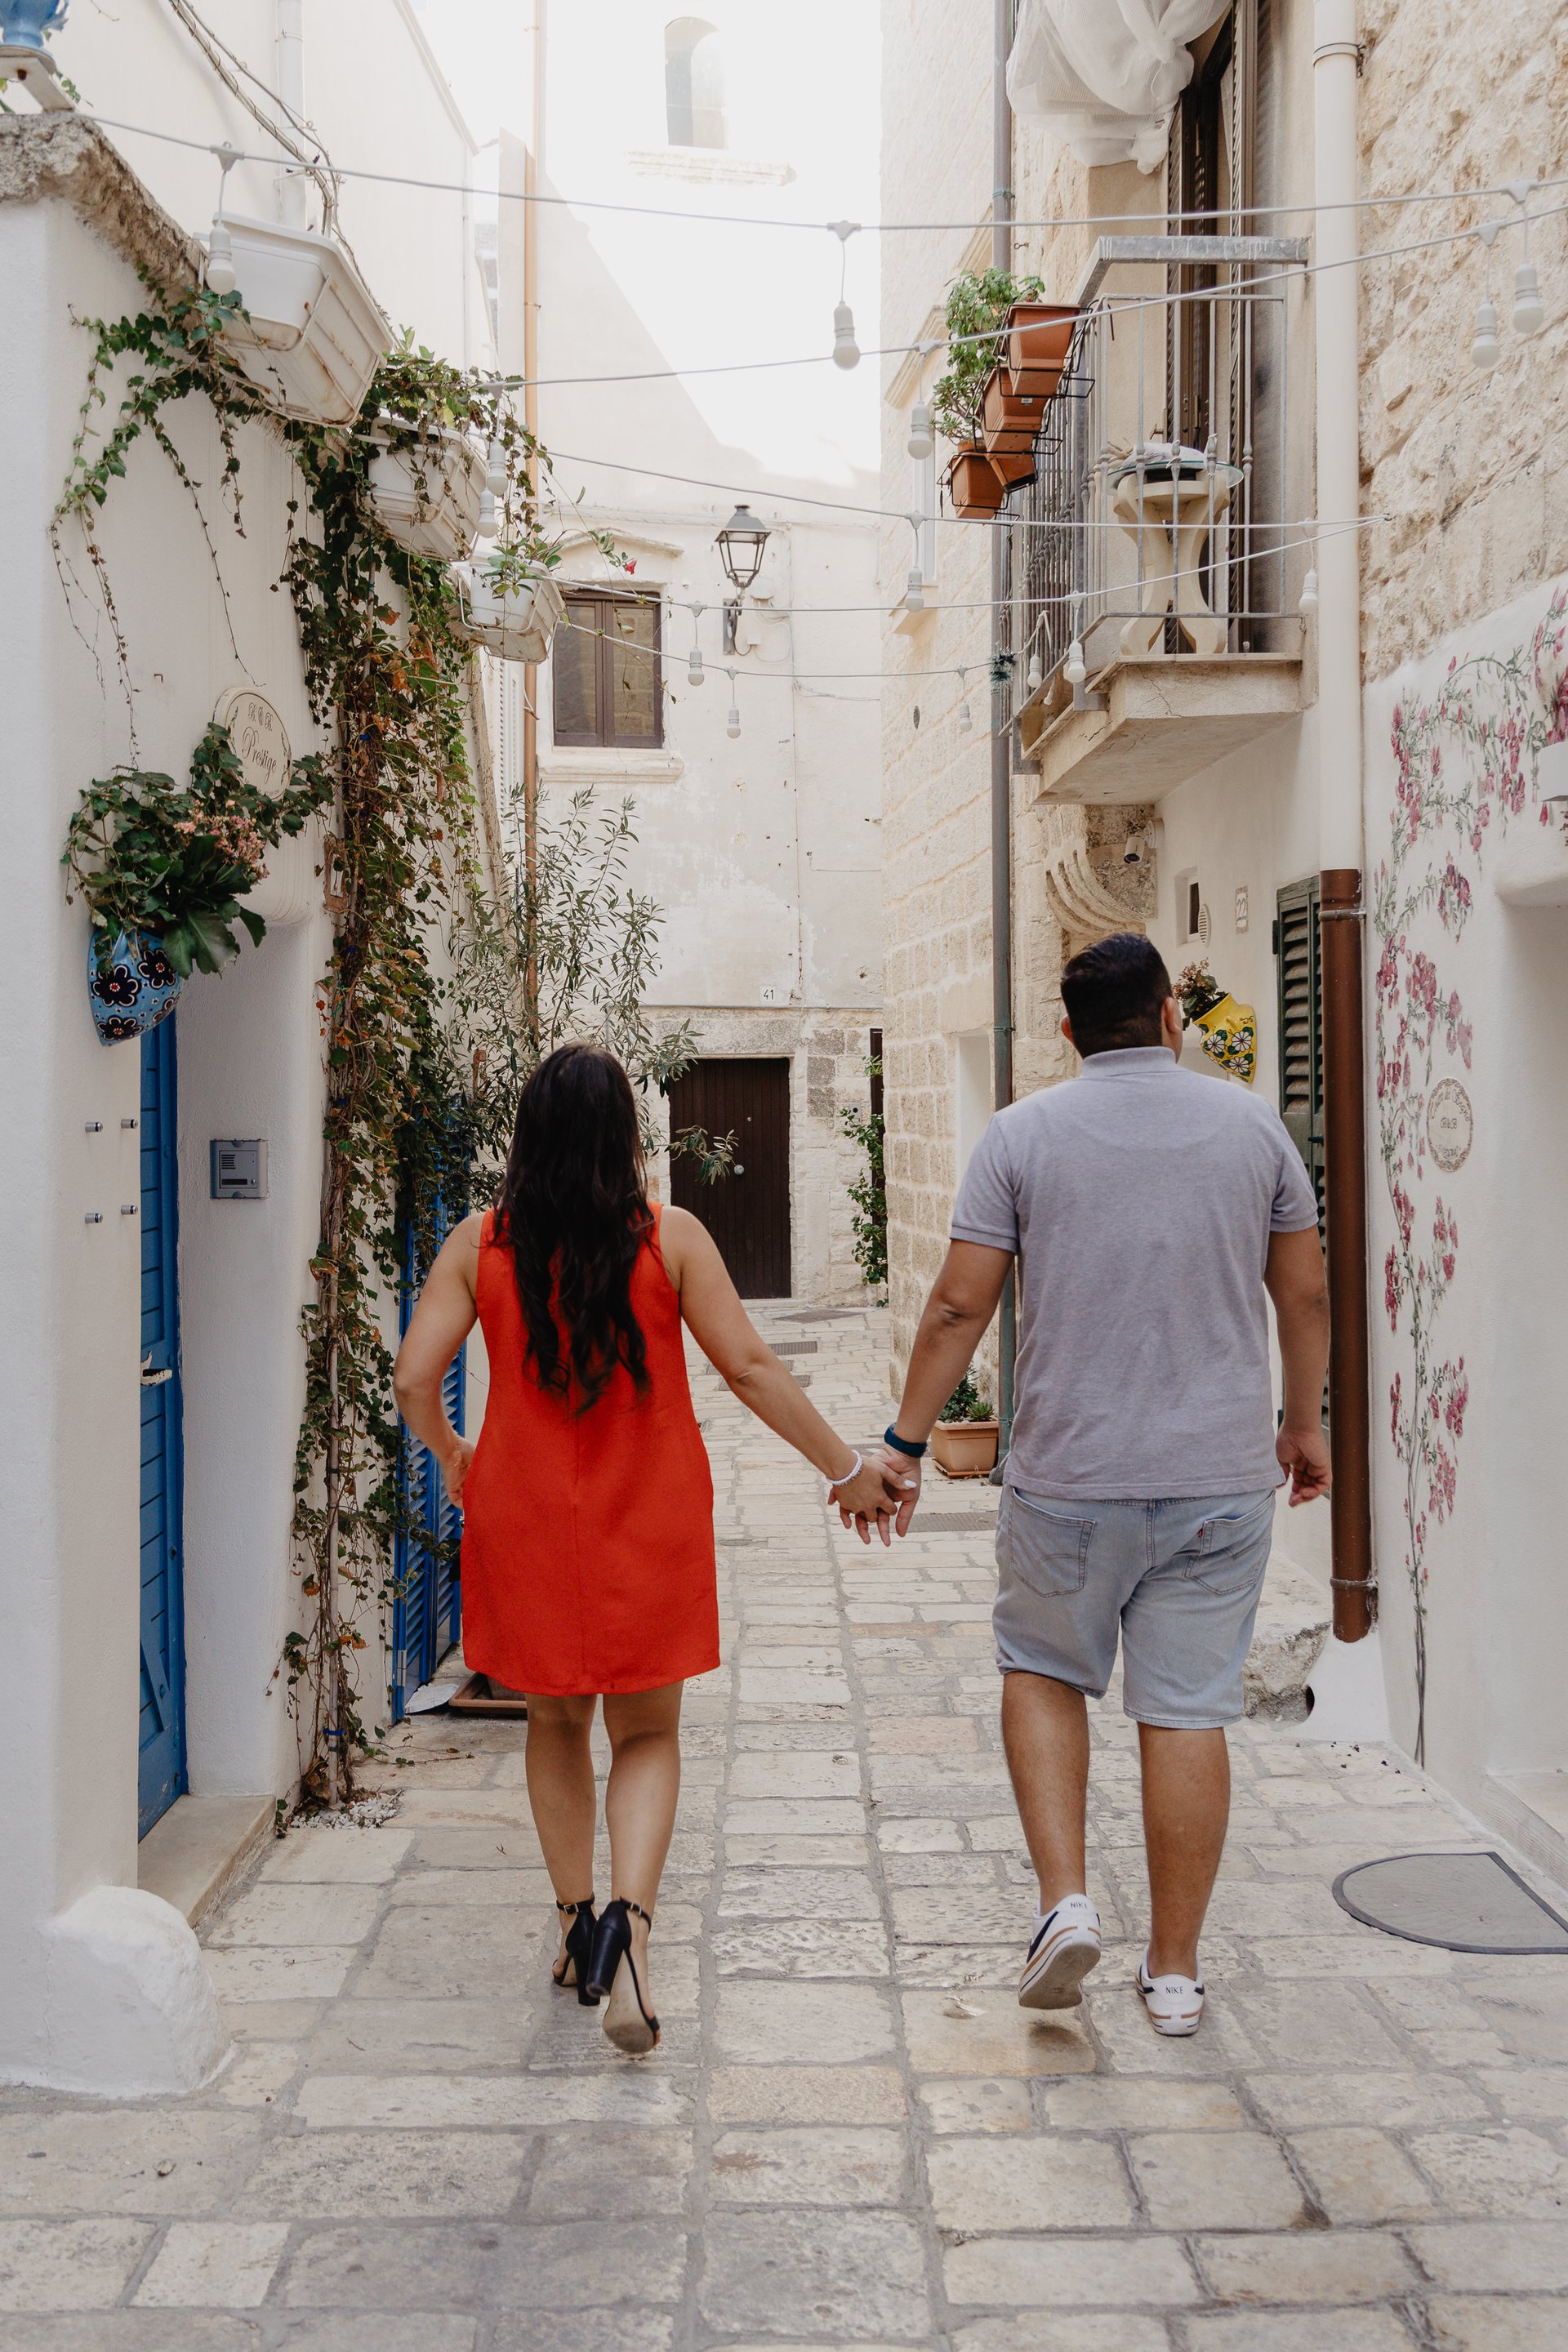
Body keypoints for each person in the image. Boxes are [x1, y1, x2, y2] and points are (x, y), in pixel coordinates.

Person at [860, 933, 1330, 2037]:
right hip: (1219, 1482)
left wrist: (905, 1445)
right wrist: (1303, 1425)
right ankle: (1175, 1975)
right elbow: (1304, 1294)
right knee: (1186, 1708)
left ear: (1069, 1032)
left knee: (1042, 1668)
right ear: (1171, 1015)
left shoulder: (1022, 1135)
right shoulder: (1253, 1127)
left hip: (1071, 1480)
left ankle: (1066, 1902)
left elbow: (958, 1305)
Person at [394, 1043, 898, 2056]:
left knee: (554, 1718)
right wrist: (846, 1468)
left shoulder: (478, 1245)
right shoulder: (671, 1239)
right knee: (648, 1733)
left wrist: (453, 1452)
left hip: (524, 1516)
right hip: (648, 1514)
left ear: (528, 1138)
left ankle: (577, 1925)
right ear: (625, 1136)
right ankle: (633, 1927)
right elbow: (749, 1367)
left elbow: (413, 1377)